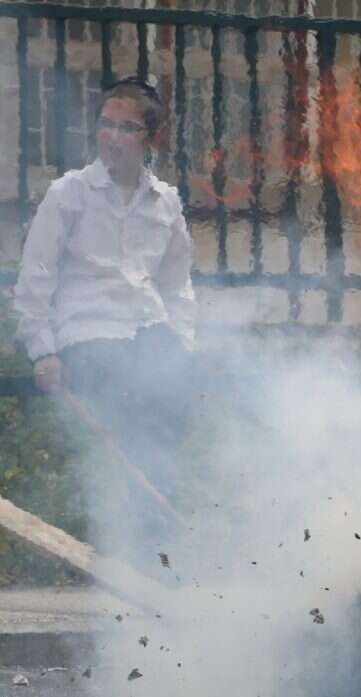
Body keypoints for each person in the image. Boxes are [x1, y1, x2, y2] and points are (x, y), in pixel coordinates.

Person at [13, 77, 195, 500]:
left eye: (127, 127)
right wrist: (44, 352)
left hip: (149, 331)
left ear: (151, 139)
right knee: (121, 402)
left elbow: (177, 284)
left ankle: (155, 537)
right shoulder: (69, 194)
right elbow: (34, 280)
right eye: (105, 124)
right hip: (89, 336)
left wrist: (182, 342)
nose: (112, 137)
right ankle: (115, 530)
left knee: (170, 395)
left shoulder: (165, 202)